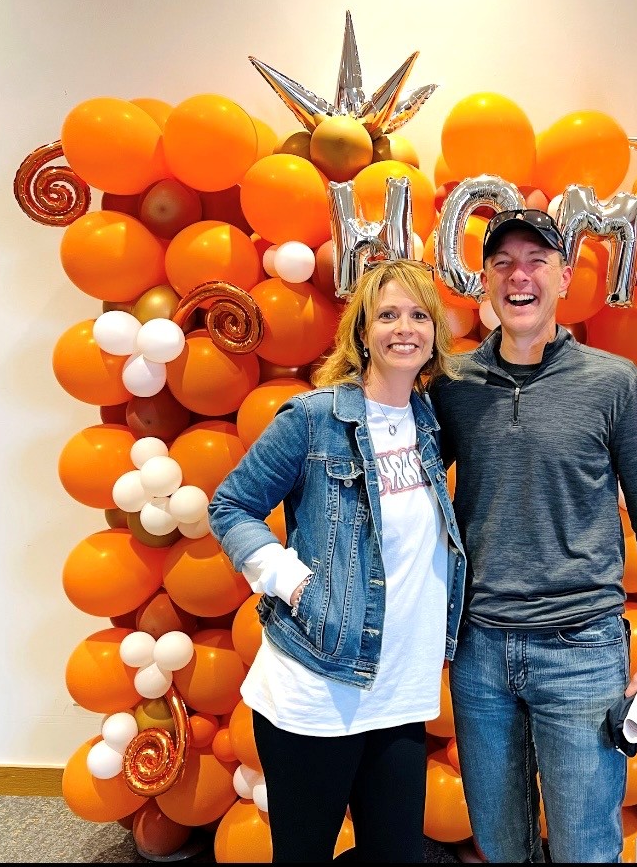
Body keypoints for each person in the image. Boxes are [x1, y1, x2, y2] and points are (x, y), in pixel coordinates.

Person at [430, 209, 637, 863]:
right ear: (484, 281)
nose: (520, 275)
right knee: (499, 841)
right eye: (504, 263)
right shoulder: (453, 386)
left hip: (582, 650)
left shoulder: (613, 382)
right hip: (479, 651)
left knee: (583, 847)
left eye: (537, 260)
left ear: (565, 277)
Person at [208, 259, 467, 863]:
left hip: (401, 690)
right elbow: (231, 506)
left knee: (395, 854)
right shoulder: (314, 418)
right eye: (387, 315)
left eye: (419, 315)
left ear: (435, 335)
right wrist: (290, 580)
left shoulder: (431, 422)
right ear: (361, 332)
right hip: (317, 685)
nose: (404, 328)